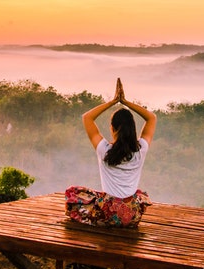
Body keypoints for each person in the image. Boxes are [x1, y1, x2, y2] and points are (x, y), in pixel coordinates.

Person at [65, 78, 157, 227]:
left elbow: (87, 117)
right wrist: (125, 102)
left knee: (72, 192)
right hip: (131, 216)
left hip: (107, 214)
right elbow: (151, 118)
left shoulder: (104, 150)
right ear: (133, 129)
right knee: (139, 195)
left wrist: (113, 101)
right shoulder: (141, 150)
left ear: (112, 129)